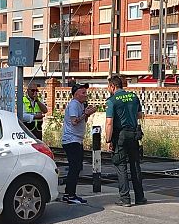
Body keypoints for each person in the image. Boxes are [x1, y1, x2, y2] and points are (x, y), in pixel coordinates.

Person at [105, 75, 146, 207]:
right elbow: (140, 115)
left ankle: (125, 198)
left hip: (120, 135)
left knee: (121, 165)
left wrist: (108, 140)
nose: (108, 89)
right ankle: (140, 197)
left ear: (113, 86)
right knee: (135, 166)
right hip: (133, 134)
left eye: (108, 87)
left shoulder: (112, 101)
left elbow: (109, 123)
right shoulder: (133, 97)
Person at [61, 83, 97, 205]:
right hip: (71, 140)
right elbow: (74, 121)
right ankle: (70, 195)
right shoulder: (74, 104)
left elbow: (83, 120)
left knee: (76, 168)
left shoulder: (80, 104)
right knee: (74, 168)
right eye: (83, 93)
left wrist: (87, 113)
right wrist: (86, 114)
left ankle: (69, 194)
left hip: (76, 140)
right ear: (76, 94)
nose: (85, 95)